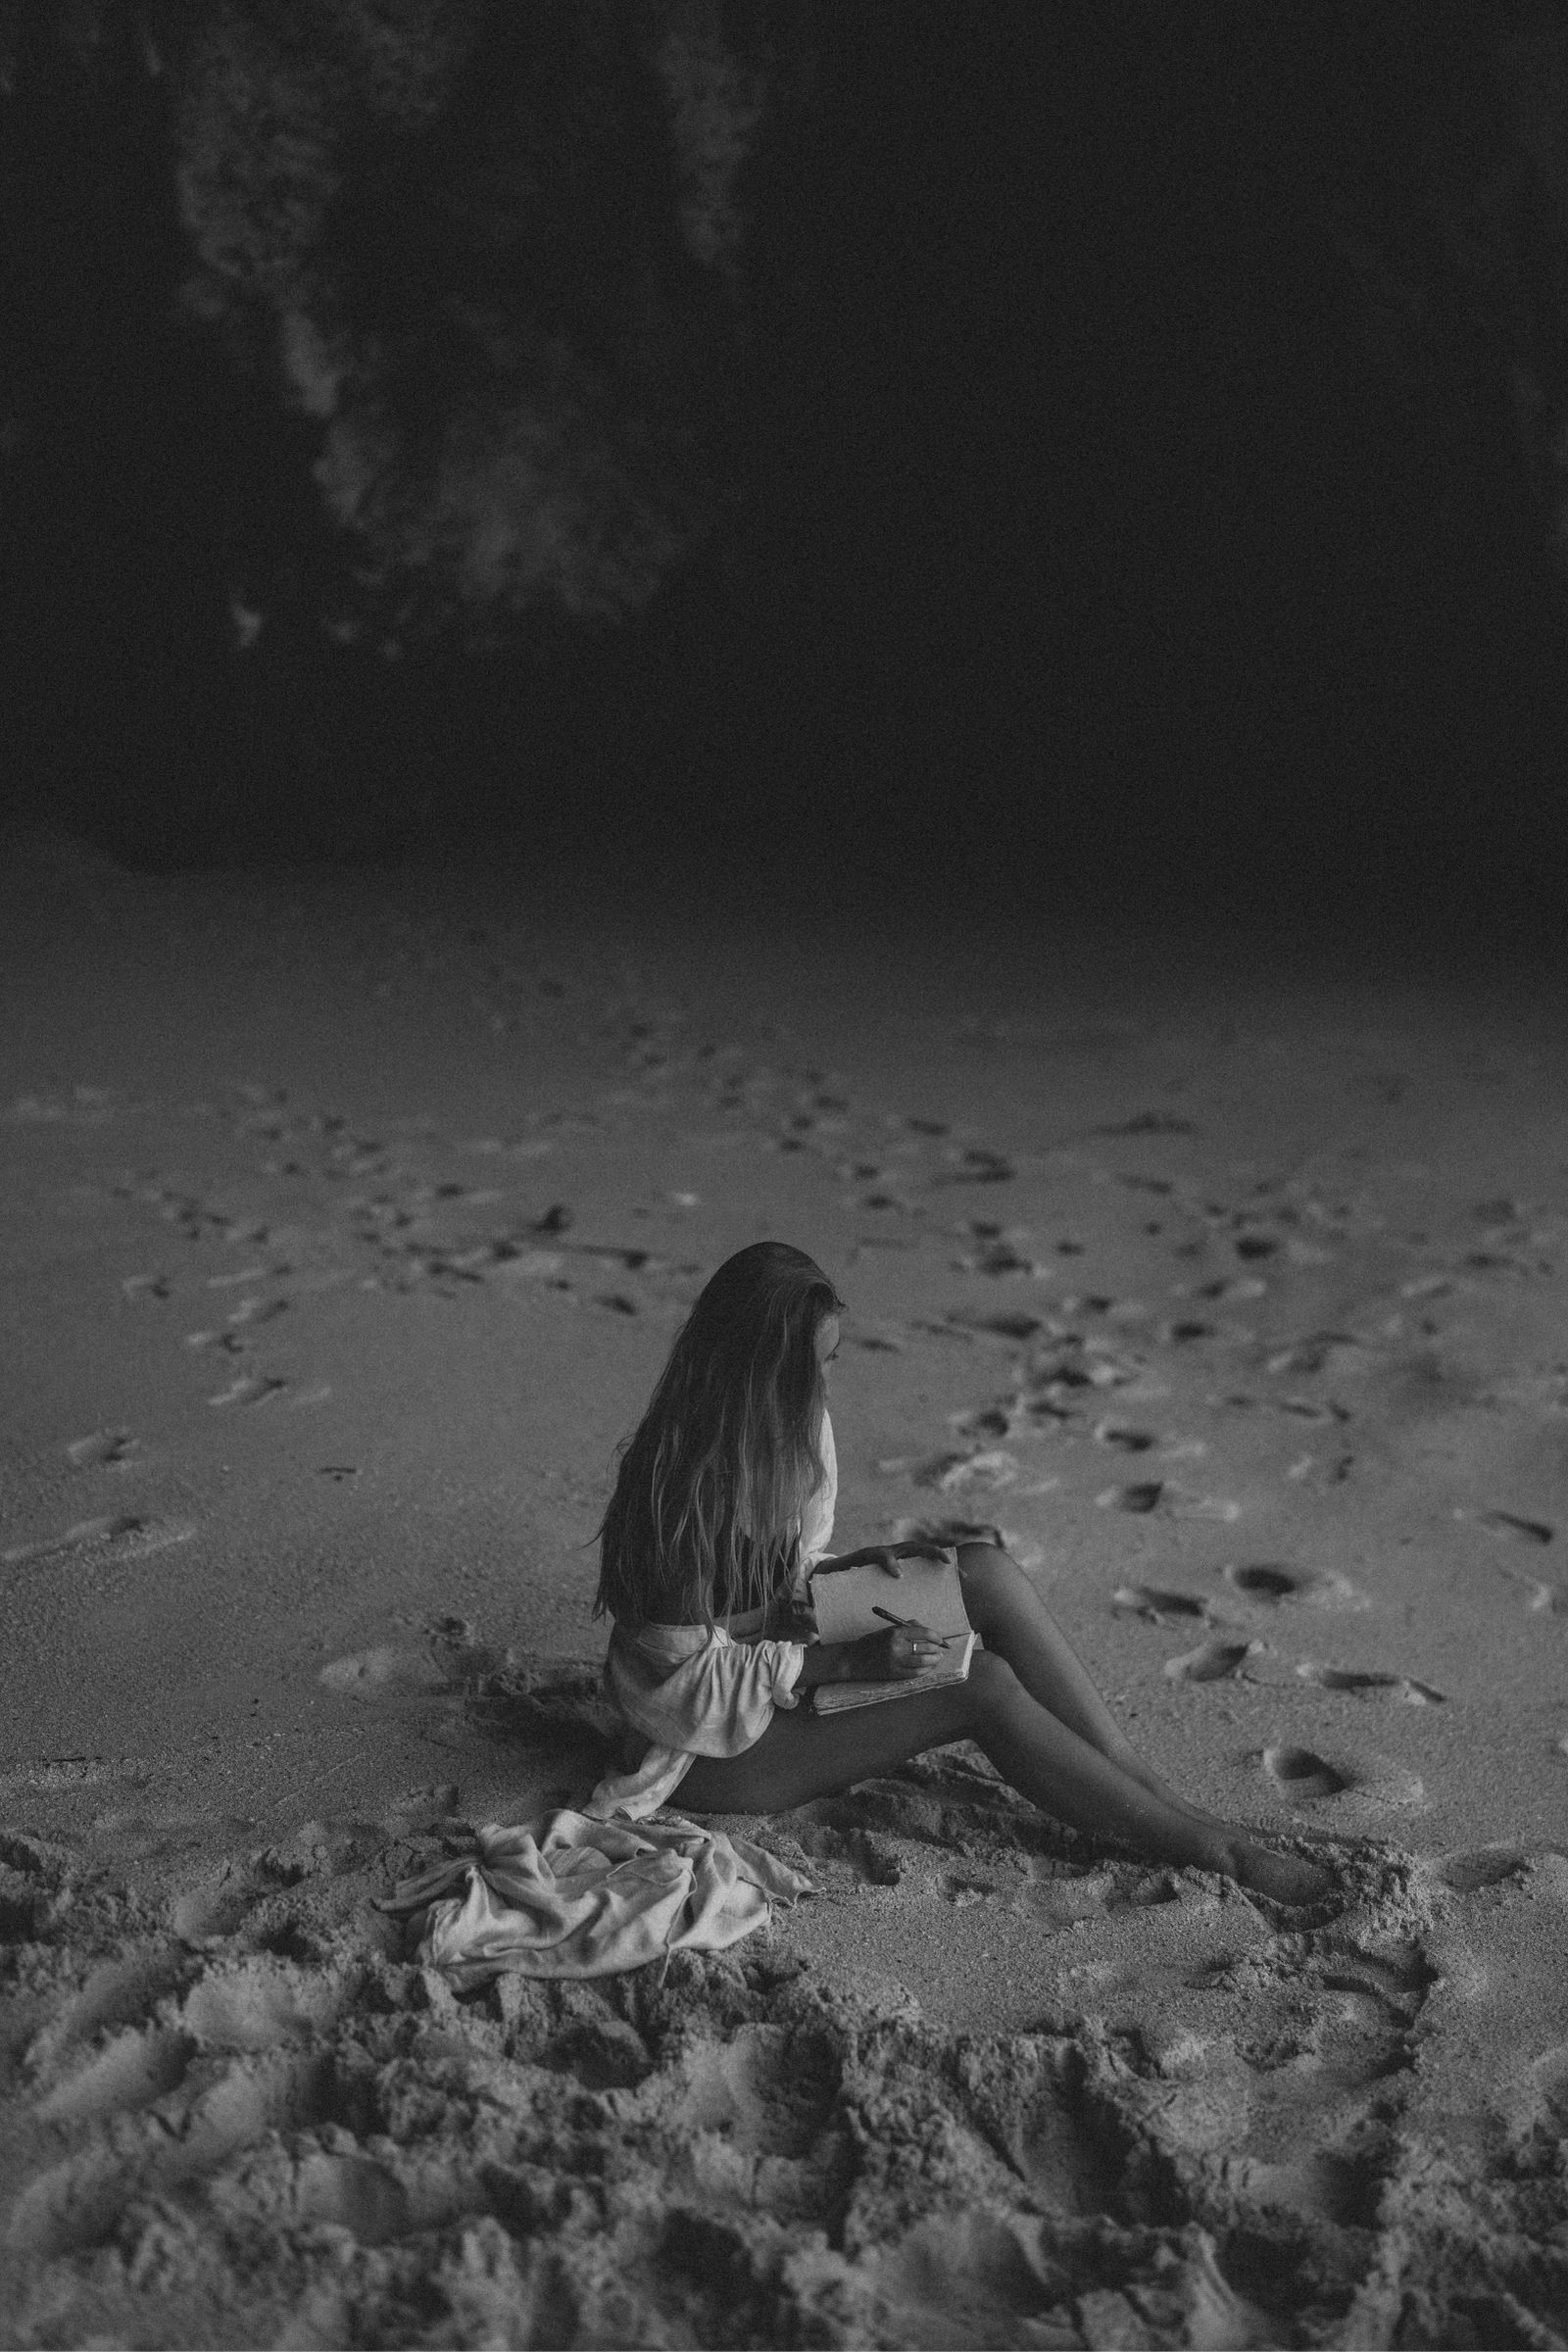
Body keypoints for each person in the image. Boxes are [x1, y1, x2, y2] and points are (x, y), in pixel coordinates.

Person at [589, 1241, 1333, 1907]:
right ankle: (1211, 1852)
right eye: (808, 1366)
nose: (822, 1382)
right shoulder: (676, 1488)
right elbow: (676, 1695)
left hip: (771, 1666)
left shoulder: (795, 1426)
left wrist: (834, 1578)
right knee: (980, 1687)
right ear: (757, 1370)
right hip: (705, 1748)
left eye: (830, 1359)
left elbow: (778, 1577)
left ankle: (1143, 1786)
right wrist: (846, 1662)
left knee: (985, 1573)